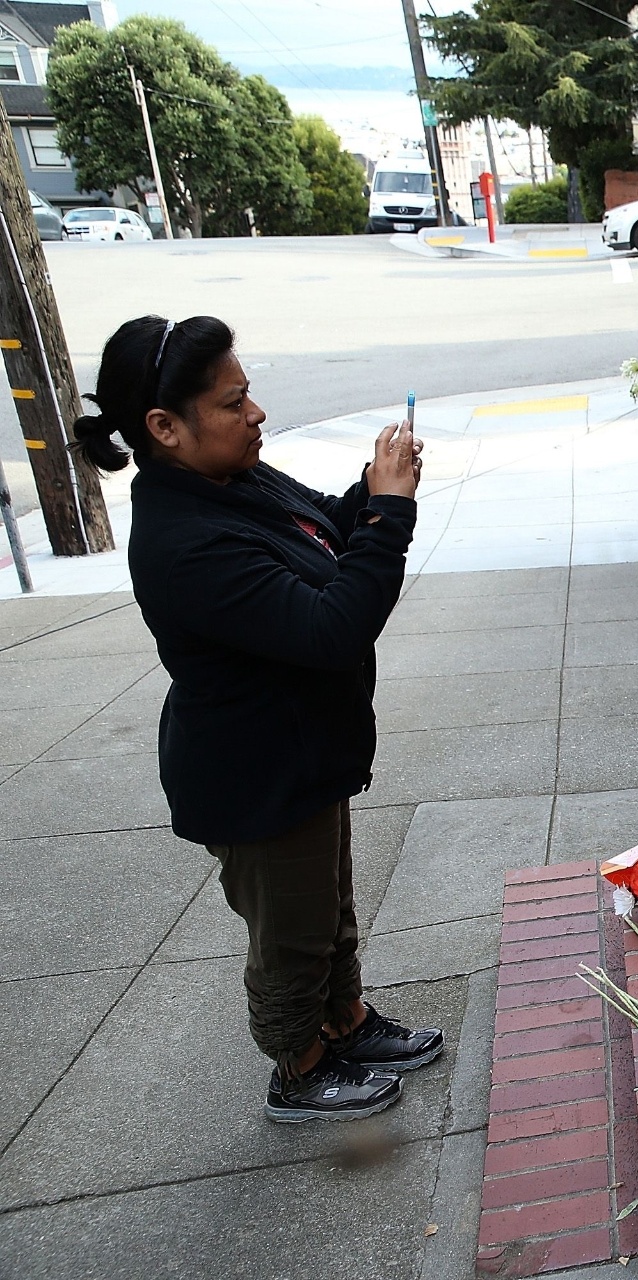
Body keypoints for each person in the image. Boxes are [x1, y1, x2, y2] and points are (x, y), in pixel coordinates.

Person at [74, 315, 442, 1124]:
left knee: (328, 907)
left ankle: (345, 1022)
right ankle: (298, 1067)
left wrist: (374, 488)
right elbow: (332, 628)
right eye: (232, 402)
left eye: (248, 394)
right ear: (165, 427)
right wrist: (389, 516)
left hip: (305, 748)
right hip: (255, 770)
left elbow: (327, 527)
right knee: (291, 932)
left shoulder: (235, 479)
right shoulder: (184, 541)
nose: (256, 414)